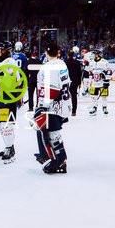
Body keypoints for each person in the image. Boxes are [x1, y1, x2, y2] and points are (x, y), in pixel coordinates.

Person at [31, 43, 70, 173]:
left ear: (46, 53)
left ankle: (54, 161)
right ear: (58, 52)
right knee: (55, 134)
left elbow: (51, 90)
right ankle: (60, 160)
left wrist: (42, 107)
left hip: (53, 106)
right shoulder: (61, 64)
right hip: (63, 104)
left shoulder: (48, 67)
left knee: (47, 132)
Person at [0, 41, 18, 163]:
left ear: (5, 50)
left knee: (6, 123)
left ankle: (9, 148)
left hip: (7, 96)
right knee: (0, 124)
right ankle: (8, 146)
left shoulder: (9, 61)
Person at [87, 49, 112, 115]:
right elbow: (90, 73)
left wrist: (106, 80)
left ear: (97, 55)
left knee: (104, 96)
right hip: (94, 83)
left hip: (102, 82)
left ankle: (104, 107)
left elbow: (109, 71)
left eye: (93, 54)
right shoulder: (91, 62)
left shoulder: (104, 62)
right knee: (93, 96)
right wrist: (90, 81)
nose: (92, 55)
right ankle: (94, 108)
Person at [65, 46, 83, 116]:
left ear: (67, 55)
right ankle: (74, 111)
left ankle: (65, 110)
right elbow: (80, 73)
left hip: (66, 82)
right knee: (74, 97)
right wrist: (79, 82)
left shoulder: (65, 62)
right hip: (75, 82)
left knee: (65, 97)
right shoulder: (77, 62)